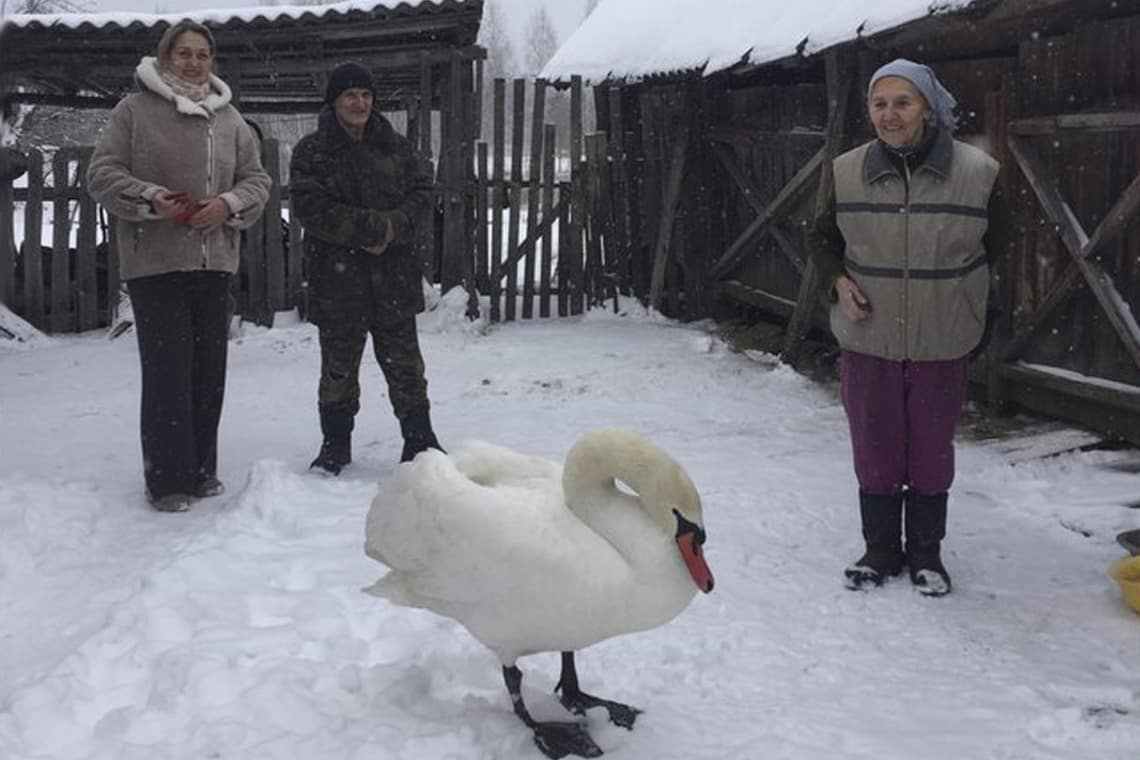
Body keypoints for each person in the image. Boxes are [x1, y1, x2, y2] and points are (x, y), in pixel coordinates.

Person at [806, 58, 1010, 597]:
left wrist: (958, 297)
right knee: (874, 444)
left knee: (930, 449)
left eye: (903, 102)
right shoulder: (846, 170)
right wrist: (837, 283)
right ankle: (880, 552)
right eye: (879, 104)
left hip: (942, 335)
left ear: (927, 107)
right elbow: (821, 241)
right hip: (867, 334)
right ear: (868, 111)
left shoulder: (977, 172)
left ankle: (925, 556)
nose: (890, 115)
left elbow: (997, 246)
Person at [88, 21, 271, 512]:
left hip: (215, 262)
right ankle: (167, 481)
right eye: (184, 54)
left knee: (209, 371)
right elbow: (102, 174)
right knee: (168, 372)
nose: (193, 63)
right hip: (157, 262)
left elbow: (258, 179)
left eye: (202, 54)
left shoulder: (229, 118)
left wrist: (228, 205)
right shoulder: (135, 110)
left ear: (213, 60)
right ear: (166, 57)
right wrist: (152, 198)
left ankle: (201, 469)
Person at [289, 62, 443, 475]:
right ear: (334, 101)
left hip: (393, 276)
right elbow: (311, 207)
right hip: (337, 281)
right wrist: (368, 230)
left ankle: (420, 441)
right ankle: (335, 445)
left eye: (366, 95)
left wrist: (395, 227)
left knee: (406, 367)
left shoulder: (395, 147)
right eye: (350, 95)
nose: (359, 103)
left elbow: (422, 192)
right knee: (338, 369)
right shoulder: (312, 151)